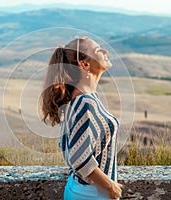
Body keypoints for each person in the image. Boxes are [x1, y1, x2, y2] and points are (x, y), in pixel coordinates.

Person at [41, 36, 122, 199]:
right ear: (84, 64)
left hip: (82, 191)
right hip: (92, 194)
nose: (105, 51)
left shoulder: (76, 100)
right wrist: (111, 186)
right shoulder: (85, 102)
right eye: (98, 50)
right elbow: (78, 158)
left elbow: (66, 146)